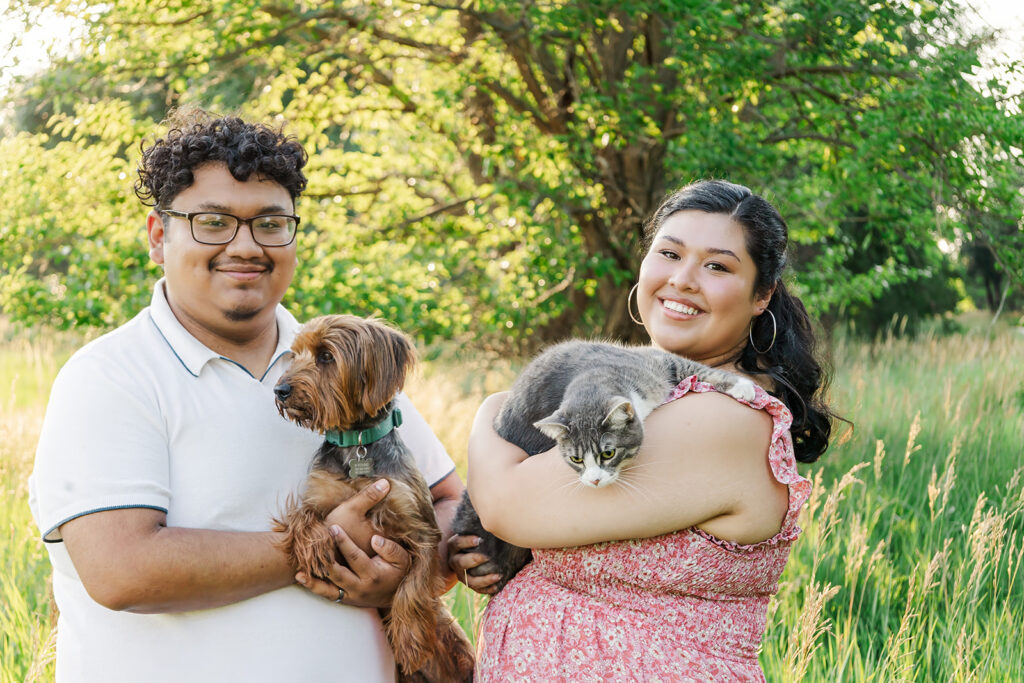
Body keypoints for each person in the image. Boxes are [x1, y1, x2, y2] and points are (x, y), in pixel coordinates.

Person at [28, 107, 465, 682]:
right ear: (160, 237)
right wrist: (327, 545)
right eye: (212, 222)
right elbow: (122, 570)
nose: (245, 245)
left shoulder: (343, 366)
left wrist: (406, 571)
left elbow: (448, 503)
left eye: (269, 223)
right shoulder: (110, 377)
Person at [448, 179, 838, 681]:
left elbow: (506, 503)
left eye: (717, 266)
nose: (683, 280)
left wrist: (491, 410)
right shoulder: (665, 399)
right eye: (669, 254)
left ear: (762, 295)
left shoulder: (722, 418)